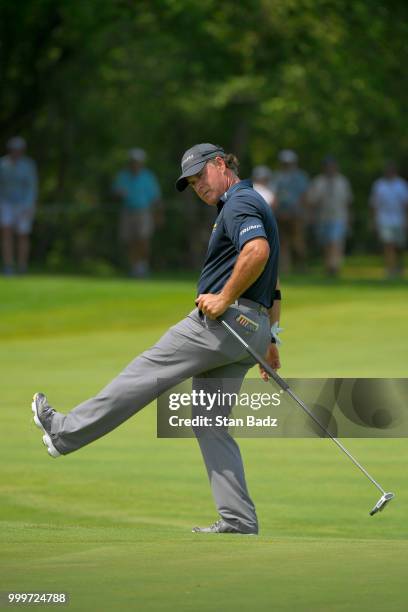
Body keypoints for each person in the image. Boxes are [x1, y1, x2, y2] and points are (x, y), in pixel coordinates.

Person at [31, 143, 281, 535]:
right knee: (209, 421)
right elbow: (274, 283)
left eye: (201, 176)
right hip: (251, 330)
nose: (198, 186)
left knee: (143, 372)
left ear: (220, 164)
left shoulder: (238, 203)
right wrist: (271, 338)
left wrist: (224, 297)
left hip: (222, 324)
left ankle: (65, 431)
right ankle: (238, 519)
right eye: (192, 183)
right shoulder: (252, 202)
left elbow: (258, 251)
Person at [112, 148, 162, 278]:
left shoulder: (148, 176)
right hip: (127, 211)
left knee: (143, 239)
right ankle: (134, 268)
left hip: (144, 211)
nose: (135, 164)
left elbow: (155, 197)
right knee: (130, 240)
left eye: (137, 162)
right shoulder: (123, 176)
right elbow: (116, 193)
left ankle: (143, 266)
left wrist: (158, 214)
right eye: (133, 161)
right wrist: (119, 194)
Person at [307, 156, 353, 277]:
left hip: (339, 217)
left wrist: (349, 219)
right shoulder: (318, 182)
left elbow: (347, 202)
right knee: (326, 244)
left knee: (335, 242)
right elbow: (312, 200)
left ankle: (334, 266)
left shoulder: (343, 182)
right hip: (322, 217)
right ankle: (328, 266)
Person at [0, 136, 38, 275]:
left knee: (23, 235)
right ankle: (8, 265)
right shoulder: (2, 165)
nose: (16, 152)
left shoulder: (28, 165)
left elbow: (32, 187)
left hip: (23, 204)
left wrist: (29, 206)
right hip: (5, 203)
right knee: (6, 233)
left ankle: (22, 266)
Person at [370, 162, 408, 279]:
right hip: (384, 220)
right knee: (388, 245)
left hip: (399, 220)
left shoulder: (401, 185)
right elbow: (374, 205)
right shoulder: (379, 185)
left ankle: (398, 267)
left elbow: (405, 204)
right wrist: (374, 221)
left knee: (398, 246)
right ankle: (390, 269)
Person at [273, 150, 309, 273]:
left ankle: (301, 266)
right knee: (282, 242)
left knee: (297, 242)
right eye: (284, 163)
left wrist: (300, 212)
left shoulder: (300, 176)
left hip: (296, 214)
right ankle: (285, 268)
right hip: (280, 214)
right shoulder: (277, 176)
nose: (286, 165)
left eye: (289, 163)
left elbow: (304, 196)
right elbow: (274, 196)